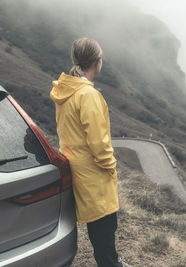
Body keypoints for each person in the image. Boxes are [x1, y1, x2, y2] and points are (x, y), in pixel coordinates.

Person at [50, 37, 129, 267]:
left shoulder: (65, 91)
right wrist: (110, 167)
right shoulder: (88, 95)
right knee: (104, 228)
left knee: (99, 231)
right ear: (97, 62)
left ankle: (110, 260)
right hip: (94, 174)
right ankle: (111, 263)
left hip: (77, 168)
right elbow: (99, 143)